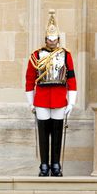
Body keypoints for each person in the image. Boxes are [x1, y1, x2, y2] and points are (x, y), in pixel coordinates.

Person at [25, 10, 77, 177]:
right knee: (43, 133)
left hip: (59, 97)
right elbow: (29, 80)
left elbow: (71, 79)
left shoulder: (65, 55)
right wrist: (30, 102)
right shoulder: (36, 55)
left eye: (55, 40)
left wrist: (72, 102)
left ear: (58, 40)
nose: (52, 42)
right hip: (41, 98)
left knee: (57, 132)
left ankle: (55, 164)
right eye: (49, 39)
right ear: (45, 39)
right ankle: (44, 164)